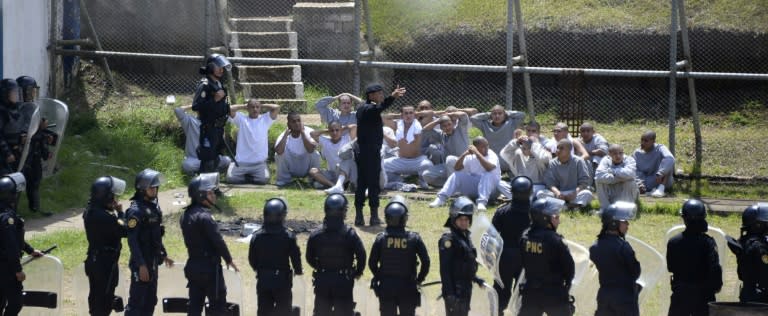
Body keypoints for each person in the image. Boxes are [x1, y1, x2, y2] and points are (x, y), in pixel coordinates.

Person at [181, 173, 238, 315]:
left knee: (194, 306)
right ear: (201, 195)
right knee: (217, 308)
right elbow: (218, 240)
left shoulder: (186, 215)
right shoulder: (205, 217)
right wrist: (229, 260)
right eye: (210, 193)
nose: (214, 196)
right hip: (209, 269)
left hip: (193, 266)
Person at [369, 196, 430, 316]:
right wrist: (419, 280)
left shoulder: (381, 239)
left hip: (386, 287)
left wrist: (379, 276)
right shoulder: (414, 238)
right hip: (407, 287)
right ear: (405, 219)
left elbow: (372, 263)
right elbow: (426, 262)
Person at [354, 84, 406, 226]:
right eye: (379, 93)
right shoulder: (368, 108)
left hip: (365, 152)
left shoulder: (365, 109)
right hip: (370, 152)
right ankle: (373, 216)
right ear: (371, 95)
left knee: (362, 183)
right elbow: (379, 108)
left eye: (382, 93)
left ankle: (359, 217)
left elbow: (379, 108)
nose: (381, 95)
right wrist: (392, 97)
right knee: (372, 184)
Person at [306, 194, 366, 316]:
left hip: (322, 279)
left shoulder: (316, 234)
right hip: (343, 281)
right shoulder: (350, 234)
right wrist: (357, 272)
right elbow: (361, 256)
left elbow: (309, 257)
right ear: (343, 212)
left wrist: (319, 267)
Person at [124, 168, 174, 315]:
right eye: (151, 187)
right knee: (136, 303)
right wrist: (141, 265)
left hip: (153, 261)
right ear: (142, 188)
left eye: (156, 186)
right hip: (142, 262)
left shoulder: (154, 209)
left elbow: (156, 236)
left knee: (150, 300)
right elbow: (132, 241)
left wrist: (163, 254)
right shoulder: (135, 212)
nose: (155, 189)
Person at [518, 197, 575, 316]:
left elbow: (522, 262)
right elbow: (569, 268)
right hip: (554, 294)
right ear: (545, 219)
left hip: (530, 292)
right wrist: (567, 284)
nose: (558, 221)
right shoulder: (555, 240)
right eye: (556, 217)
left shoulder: (525, 237)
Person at [666, 199, 722, 316]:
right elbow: (715, 269)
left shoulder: (673, 242)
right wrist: (716, 287)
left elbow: (671, 267)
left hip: (680, 294)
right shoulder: (708, 242)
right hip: (704, 295)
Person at [249, 198, 303, 316]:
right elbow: (295, 257)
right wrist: (298, 271)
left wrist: (259, 269)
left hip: (263, 279)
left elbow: (252, 259)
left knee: (263, 310)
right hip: (282, 281)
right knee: (284, 311)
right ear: (282, 216)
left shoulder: (257, 236)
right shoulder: (288, 236)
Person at [83, 176, 128, 316]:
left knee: (97, 296)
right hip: (104, 263)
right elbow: (124, 230)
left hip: (96, 259)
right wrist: (120, 212)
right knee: (103, 300)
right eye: (111, 196)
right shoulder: (104, 216)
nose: (114, 199)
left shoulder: (91, 211)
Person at [0, 173, 43, 316]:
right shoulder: (7, 217)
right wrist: (17, 270)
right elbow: (11, 245)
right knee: (15, 302)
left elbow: (13, 238)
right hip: (6, 267)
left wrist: (30, 250)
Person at [589, 202, 641, 316]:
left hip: (604, 296)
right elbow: (636, 272)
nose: (628, 224)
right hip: (625, 299)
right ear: (614, 223)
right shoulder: (624, 247)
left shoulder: (595, 247)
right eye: (624, 221)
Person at [491, 176, 533, 314]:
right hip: (527, 257)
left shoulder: (502, 211)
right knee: (525, 295)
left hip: (504, 258)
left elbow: (492, 236)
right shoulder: (535, 213)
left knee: (501, 293)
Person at [429, 136, 501, 211]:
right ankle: (441, 199)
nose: (486, 148)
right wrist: (464, 155)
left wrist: (477, 154)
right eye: (483, 147)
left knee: (487, 174)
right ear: (475, 148)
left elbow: (489, 168)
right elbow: (456, 168)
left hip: (493, 190)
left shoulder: (491, 154)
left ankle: (482, 203)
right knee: (456, 175)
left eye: (487, 145)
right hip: (476, 188)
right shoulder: (470, 156)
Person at [439, 196, 484, 316]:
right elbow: (445, 270)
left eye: (466, 219)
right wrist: (450, 294)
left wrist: (475, 278)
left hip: (465, 289)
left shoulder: (466, 237)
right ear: (454, 219)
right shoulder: (449, 240)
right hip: (455, 291)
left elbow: (465, 263)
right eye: (461, 219)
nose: (464, 222)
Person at [16, 76, 54, 216]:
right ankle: (12, 210)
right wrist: (40, 131)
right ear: (23, 92)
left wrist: (45, 133)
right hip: (23, 153)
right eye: (30, 91)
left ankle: (35, 209)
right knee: (19, 182)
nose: (33, 94)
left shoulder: (34, 108)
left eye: (34, 91)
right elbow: (25, 134)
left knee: (35, 180)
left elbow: (36, 130)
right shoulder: (16, 110)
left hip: (35, 152)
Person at [192, 54, 233, 173]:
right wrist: (214, 99)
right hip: (209, 129)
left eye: (222, 67)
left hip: (219, 129)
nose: (221, 69)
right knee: (208, 160)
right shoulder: (205, 84)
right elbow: (196, 106)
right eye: (218, 66)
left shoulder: (219, 84)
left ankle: (213, 188)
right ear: (210, 67)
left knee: (215, 159)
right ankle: (203, 188)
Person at [225, 99, 279, 184]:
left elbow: (276, 108)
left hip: (259, 163)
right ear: (248, 109)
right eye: (252, 107)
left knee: (264, 180)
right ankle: (247, 178)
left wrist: (262, 105)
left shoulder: (265, 119)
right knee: (230, 179)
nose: (255, 109)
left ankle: (248, 178)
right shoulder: (241, 119)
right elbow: (230, 109)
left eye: (257, 107)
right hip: (242, 162)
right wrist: (244, 106)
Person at [382, 105, 434, 189]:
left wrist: (417, 114)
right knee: (382, 165)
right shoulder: (397, 125)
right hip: (401, 160)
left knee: (428, 165)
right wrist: (398, 116)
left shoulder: (419, 124)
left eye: (411, 113)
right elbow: (384, 117)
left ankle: (422, 181)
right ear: (402, 115)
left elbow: (430, 114)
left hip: (417, 161)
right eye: (406, 113)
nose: (408, 115)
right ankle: (398, 180)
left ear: (414, 114)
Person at [726, 203, 768, 303]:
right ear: (758, 225)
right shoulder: (759, 248)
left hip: (748, 294)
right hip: (760, 300)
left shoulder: (744, 241)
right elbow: (765, 276)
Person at [174, 104, 231, 175]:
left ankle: (211, 171)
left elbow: (228, 113)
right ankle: (204, 171)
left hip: (212, 160)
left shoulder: (215, 123)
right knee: (187, 165)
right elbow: (177, 110)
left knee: (227, 161)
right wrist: (197, 104)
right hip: (196, 160)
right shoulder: (190, 121)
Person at [421, 109, 472, 187]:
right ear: (441, 127)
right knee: (426, 175)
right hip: (449, 167)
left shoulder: (460, 129)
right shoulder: (440, 135)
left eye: (449, 124)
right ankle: (452, 184)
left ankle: (453, 187)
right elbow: (424, 130)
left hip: (464, 164)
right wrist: (438, 120)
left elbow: (464, 115)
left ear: (452, 124)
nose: (447, 127)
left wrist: (450, 114)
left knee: (450, 159)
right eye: (444, 126)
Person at [499, 123, 551, 198]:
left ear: (538, 133)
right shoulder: (518, 152)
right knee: (499, 184)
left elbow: (544, 158)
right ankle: (521, 199)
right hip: (520, 185)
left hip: (537, 185)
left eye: (533, 131)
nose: (530, 133)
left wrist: (535, 143)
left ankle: (520, 199)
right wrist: (516, 141)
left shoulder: (542, 149)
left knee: (539, 193)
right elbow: (503, 153)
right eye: (528, 131)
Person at [469, 105, 526, 173]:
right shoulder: (485, 125)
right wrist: (489, 114)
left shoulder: (511, 123)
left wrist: (506, 113)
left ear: (504, 114)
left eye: (500, 113)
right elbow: (473, 118)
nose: (497, 116)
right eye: (494, 114)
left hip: (509, 161)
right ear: (491, 115)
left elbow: (522, 115)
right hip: (493, 162)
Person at [538, 139, 594, 208]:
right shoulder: (552, 163)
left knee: (587, 193)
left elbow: (584, 181)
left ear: (569, 150)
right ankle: (571, 206)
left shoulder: (578, 161)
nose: (558, 150)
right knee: (540, 194)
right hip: (558, 193)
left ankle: (562, 206)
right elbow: (549, 183)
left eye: (561, 148)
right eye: (557, 148)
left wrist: (575, 193)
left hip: (574, 193)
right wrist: (558, 193)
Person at [274, 112, 321, 187]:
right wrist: (286, 135)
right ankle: (284, 180)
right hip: (292, 165)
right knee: (278, 155)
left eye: (299, 120)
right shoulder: (283, 135)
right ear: (288, 124)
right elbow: (278, 151)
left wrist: (302, 133)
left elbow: (310, 150)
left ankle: (314, 179)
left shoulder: (309, 132)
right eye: (293, 121)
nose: (297, 123)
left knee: (315, 154)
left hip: (306, 165)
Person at [309, 121, 356, 190]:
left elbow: (354, 127)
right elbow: (312, 134)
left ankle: (337, 185)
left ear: (341, 130)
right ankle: (333, 186)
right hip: (331, 173)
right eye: (332, 131)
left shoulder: (347, 139)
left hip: (344, 173)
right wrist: (327, 130)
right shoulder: (325, 141)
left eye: (337, 130)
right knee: (313, 171)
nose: (334, 133)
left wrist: (343, 128)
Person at [633, 130, 675, 198]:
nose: (642, 143)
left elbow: (670, 158)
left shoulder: (660, 148)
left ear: (653, 142)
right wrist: (639, 183)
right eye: (642, 140)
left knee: (668, 163)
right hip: (644, 182)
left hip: (658, 179)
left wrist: (660, 173)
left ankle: (661, 189)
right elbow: (634, 170)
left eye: (646, 141)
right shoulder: (636, 153)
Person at [0, 79, 25, 174]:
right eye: (13, 92)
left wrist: (21, 138)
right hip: (3, 155)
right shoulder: (2, 111)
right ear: (4, 94)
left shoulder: (15, 109)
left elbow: (14, 129)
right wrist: (7, 153)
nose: (17, 95)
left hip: (14, 150)